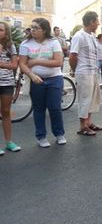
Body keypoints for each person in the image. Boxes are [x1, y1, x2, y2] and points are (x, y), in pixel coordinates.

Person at [19, 18, 66, 147]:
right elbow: (22, 64)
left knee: (55, 107)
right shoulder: (26, 44)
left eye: (36, 28)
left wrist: (36, 61)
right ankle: (41, 137)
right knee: (38, 109)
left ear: (44, 30)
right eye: (31, 27)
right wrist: (31, 74)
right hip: (36, 80)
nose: (32, 30)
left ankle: (59, 134)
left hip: (55, 79)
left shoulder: (53, 42)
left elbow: (58, 62)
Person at [69, 11, 102, 136]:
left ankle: (88, 122)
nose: (98, 24)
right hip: (83, 72)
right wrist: (73, 69)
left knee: (92, 99)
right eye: (97, 21)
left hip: (93, 71)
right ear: (91, 22)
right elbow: (73, 55)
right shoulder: (79, 36)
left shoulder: (92, 36)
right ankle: (83, 126)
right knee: (84, 99)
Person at [0, 22, 20, 154]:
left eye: (0, 30)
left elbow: (14, 65)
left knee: (6, 112)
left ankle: (9, 142)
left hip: (7, 83)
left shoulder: (10, 46)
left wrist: (2, 64)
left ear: (6, 32)